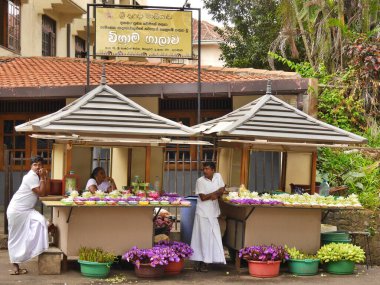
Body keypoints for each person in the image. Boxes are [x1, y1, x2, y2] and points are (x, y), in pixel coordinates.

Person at [7, 155, 49, 275]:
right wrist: (42, 177)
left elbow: (45, 193)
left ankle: (32, 251)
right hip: (17, 210)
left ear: (43, 166)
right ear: (31, 166)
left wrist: (45, 177)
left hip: (28, 210)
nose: (37, 167)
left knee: (42, 222)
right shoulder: (29, 177)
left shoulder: (38, 176)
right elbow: (41, 193)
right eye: (35, 164)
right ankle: (15, 265)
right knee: (15, 237)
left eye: (40, 165)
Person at [190, 161, 226, 272]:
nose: (205, 171)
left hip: (214, 213)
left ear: (213, 170)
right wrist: (215, 193)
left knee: (213, 238)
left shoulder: (218, 176)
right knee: (202, 238)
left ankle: (207, 261)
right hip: (203, 214)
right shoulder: (200, 181)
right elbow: (203, 198)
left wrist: (217, 193)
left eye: (207, 169)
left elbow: (223, 189)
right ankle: (200, 261)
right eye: (204, 169)